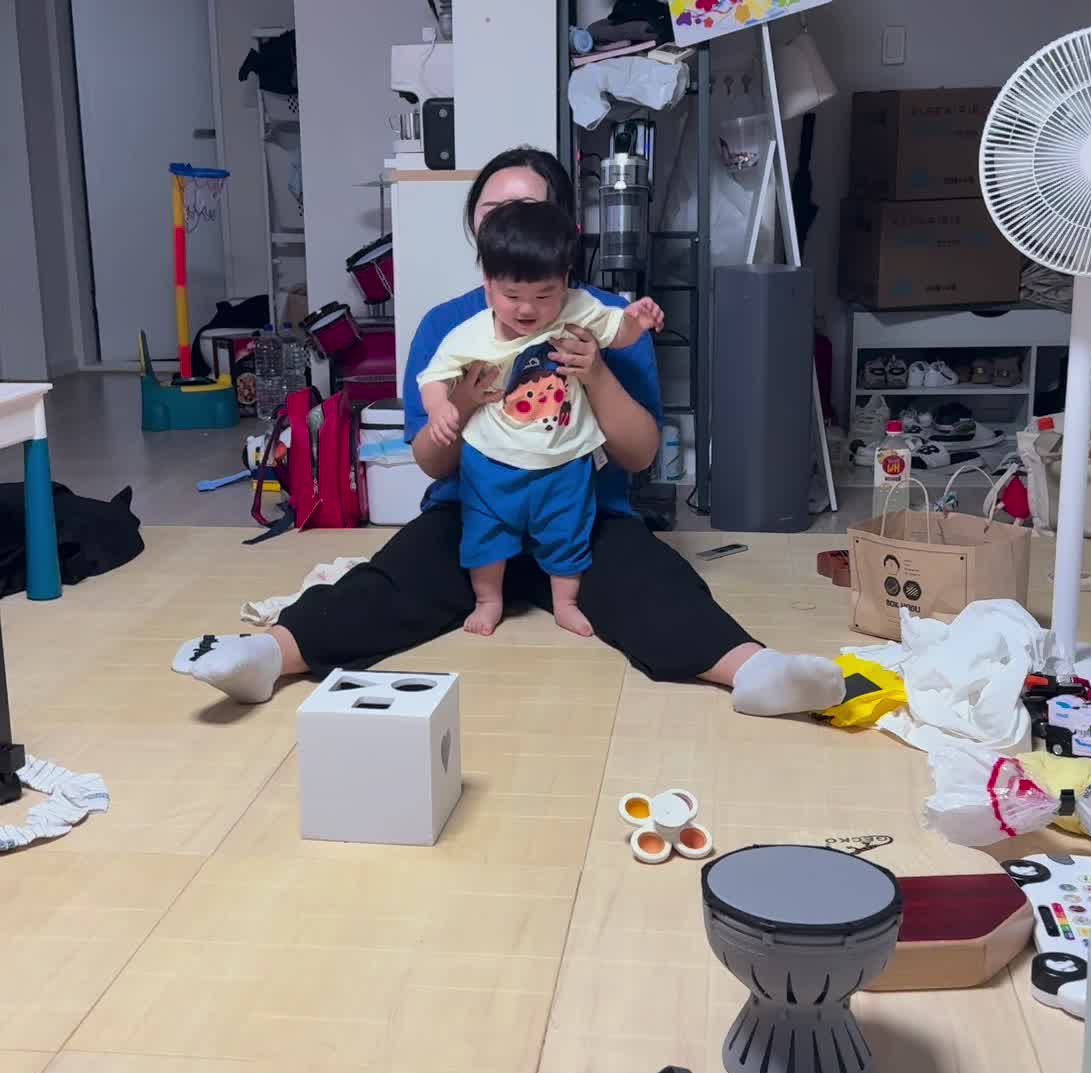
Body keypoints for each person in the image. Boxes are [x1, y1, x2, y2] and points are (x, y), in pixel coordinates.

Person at [173, 146, 844, 719]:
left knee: (653, 578)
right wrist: (461, 404)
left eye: (525, 210)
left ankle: (755, 672)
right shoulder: (451, 327)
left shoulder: (601, 317)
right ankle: (267, 657)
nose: (507, 225)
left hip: (580, 509)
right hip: (477, 508)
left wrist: (596, 373)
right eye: (492, 212)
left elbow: (639, 456)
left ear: (561, 236)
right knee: (393, 577)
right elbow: (432, 464)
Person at [418, 199, 665, 637]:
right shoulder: (470, 333)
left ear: (565, 281)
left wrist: (638, 322)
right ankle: (488, 600)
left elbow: (618, 332)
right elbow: (434, 376)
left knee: (568, 532)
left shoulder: (580, 309)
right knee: (485, 533)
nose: (527, 310)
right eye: (512, 297)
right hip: (491, 463)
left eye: (544, 296)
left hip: (565, 460)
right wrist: (441, 408)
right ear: (488, 284)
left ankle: (565, 602)